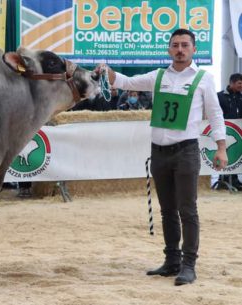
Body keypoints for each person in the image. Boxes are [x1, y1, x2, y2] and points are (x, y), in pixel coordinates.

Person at [98, 28, 228, 286]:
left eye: (184, 45)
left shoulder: (204, 79)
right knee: (167, 210)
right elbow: (124, 82)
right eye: (175, 45)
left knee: (187, 210)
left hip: (186, 151)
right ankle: (172, 261)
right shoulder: (158, 76)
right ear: (169, 49)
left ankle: (189, 264)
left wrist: (221, 147)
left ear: (193, 49)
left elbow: (215, 115)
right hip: (159, 152)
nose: (179, 49)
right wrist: (106, 71)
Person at [211, 73, 242, 189]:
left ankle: (234, 180)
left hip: (238, 132)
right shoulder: (219, 96)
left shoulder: (241, 96)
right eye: (239, 83)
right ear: (231, 83)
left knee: (235, 154)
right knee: (224, 153)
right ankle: (222, 180)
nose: (241, 86)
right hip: (223, 132)